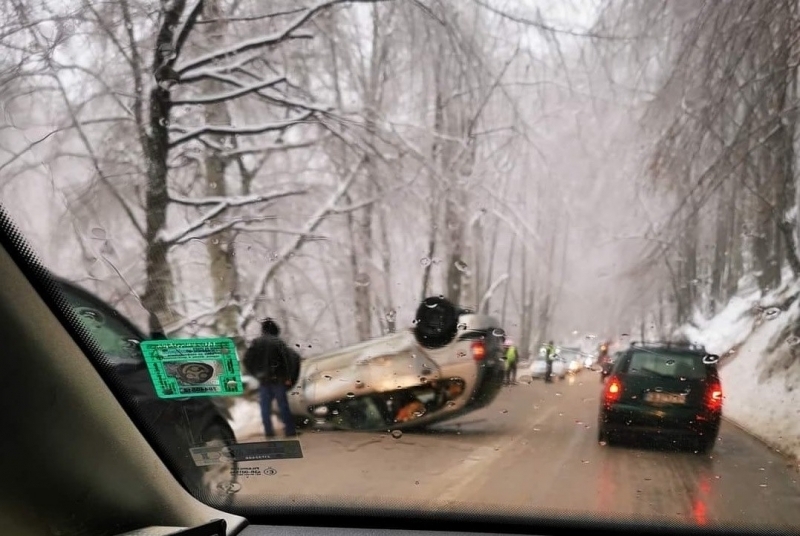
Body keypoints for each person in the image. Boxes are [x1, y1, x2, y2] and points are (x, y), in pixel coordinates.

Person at [243, 318, 301, 438]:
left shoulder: (256, 342)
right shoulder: (278, 342)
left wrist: (256, 373)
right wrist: (287, 377)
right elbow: (286, 360)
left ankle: (269, 432)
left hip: (263, 380)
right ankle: (290, 431)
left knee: (265, 408)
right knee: (283, 405)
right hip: (278, 379)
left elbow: (246, 360)